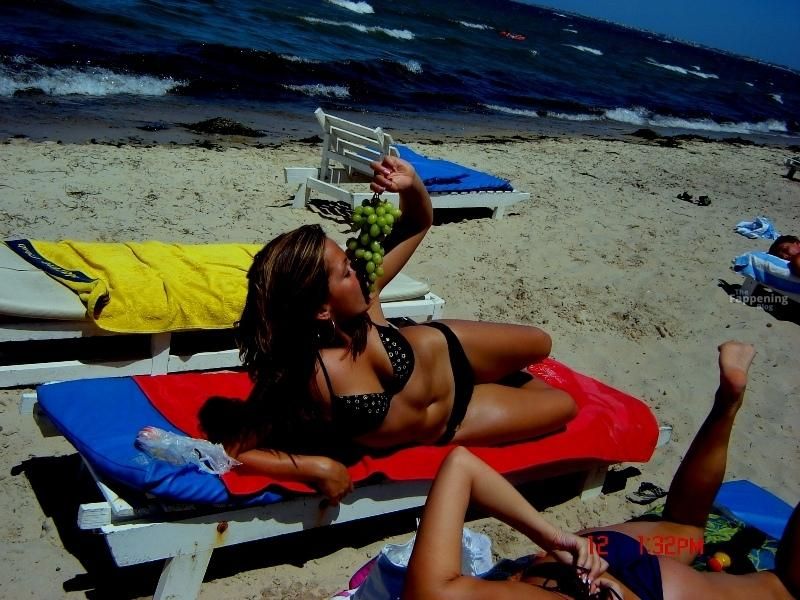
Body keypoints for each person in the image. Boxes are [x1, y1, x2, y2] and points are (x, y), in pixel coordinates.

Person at [200, 155, 577, 503]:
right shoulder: (302, 374)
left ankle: (492, 372)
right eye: (345, 271)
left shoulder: (366, 293)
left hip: (451, 351)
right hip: (454, 419)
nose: (358, 267)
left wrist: (411, 184)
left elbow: (418, 222)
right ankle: (499, 379)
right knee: (565, 405)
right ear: (320, 309)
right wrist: (317, 467)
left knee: (541, 344)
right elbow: (234, 451)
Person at [402, 341, 799, 600]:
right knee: (693, 534)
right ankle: (726, 403)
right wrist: (556, 539)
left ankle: (727, 403)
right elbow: (460, 465)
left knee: (701, 540)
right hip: (584, 563)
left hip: (613, 577)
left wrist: (558, 541)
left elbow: (461, 464)